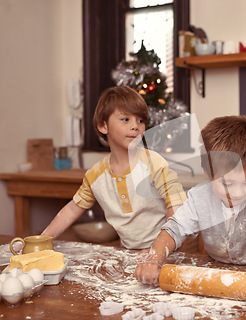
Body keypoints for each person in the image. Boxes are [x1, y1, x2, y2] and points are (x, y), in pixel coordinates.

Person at [134, 115, 246, 299]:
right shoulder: (200, 197)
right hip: (217, 275)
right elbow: (174, 229)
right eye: (228, 184)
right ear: (209, 173)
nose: (238, 192)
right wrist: (154, 258)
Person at [42, 86, 187, 249]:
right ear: (103, 126)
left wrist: (158, 251)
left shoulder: (153, 163)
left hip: (167, 250)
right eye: (125, 119)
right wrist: (43, 239)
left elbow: (177, 205)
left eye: (140, 120)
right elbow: (73, 208)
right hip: (129, 253)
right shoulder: (96, 175)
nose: (135, 126)